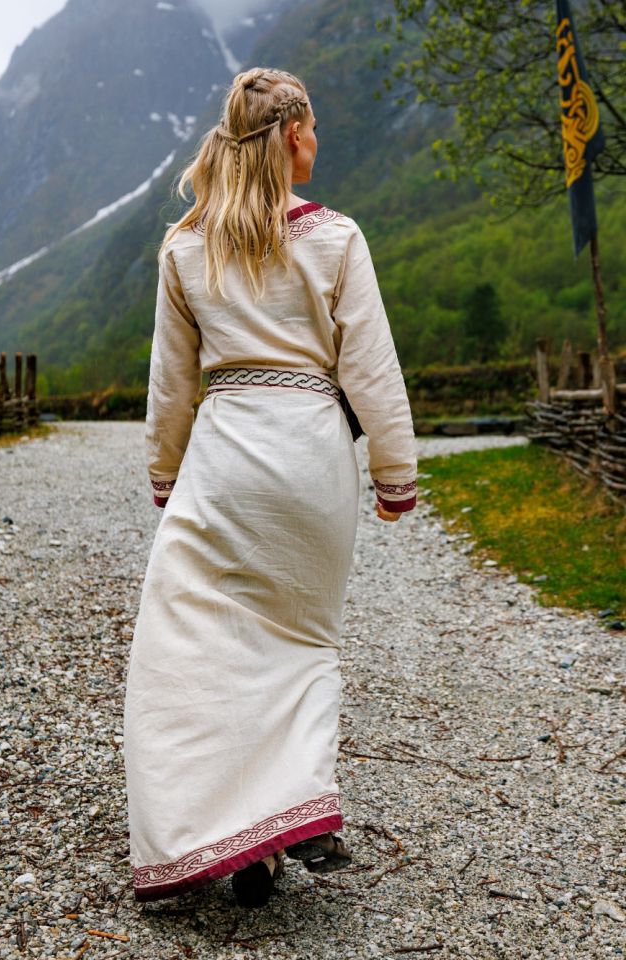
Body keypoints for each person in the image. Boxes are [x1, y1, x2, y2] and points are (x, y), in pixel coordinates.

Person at [123, 67, 417, 909]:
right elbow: (370, 368)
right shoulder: (335, 239)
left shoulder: (186, 245)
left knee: (193, 650)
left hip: (224, 459)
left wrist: (164, 471)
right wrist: (394, 472)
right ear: (293, 136)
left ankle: (225, 835)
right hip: (311, 453)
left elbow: (172, 382)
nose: (317, 142)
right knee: (302, 637)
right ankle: (299, 809)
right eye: (313, 128)